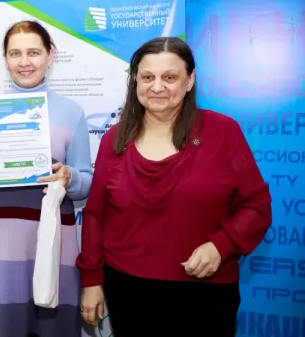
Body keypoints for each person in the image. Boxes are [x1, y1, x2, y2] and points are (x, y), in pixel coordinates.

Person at [76, 37, 272, 336]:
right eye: (147, 77)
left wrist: (221, 246)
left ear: (190, 80)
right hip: (128, 289)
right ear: (135, 81)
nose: (157, 87)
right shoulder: (114, 139)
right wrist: (91, 280)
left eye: (169, 77)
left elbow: (257, 207)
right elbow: (95, 216)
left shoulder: (223, 132)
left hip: (206, 292)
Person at [0, 20, 93, 337]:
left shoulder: (71, 112)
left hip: (49, 236)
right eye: (15, 53)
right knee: (0, 320)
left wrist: (70, 177)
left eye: (33, 52)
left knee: (49, 321)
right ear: (5, 59)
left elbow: (85, 186)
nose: (24, 61)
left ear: (50, 56)